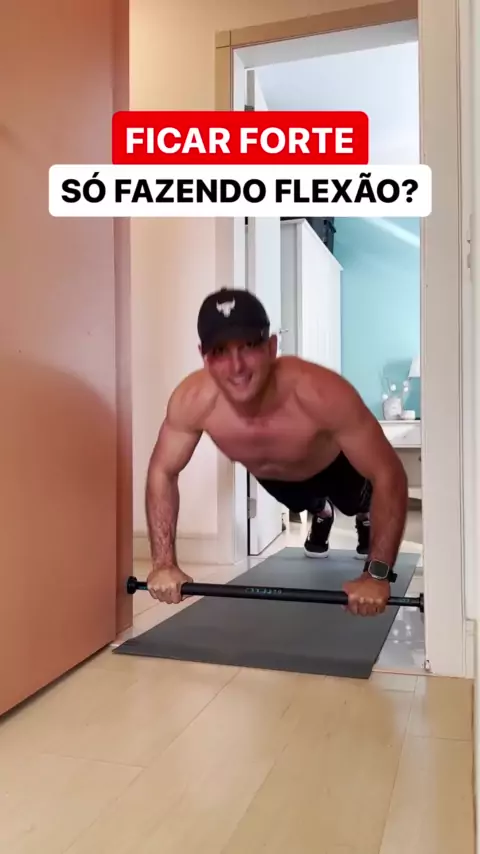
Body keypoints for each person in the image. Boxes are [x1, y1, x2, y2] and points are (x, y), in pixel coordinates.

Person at [145, 288, 408, 617]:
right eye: (220, 351)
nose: (236, 366)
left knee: (357, 503)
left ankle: (363, 518)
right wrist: (163, 563)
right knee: (302, 503)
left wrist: (377, 573)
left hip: (333, 466)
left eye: (249, 346)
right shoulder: (192, 400)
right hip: (276, 479)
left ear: (271, 347)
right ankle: (322, 513)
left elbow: (388, 474)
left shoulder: (321, 392)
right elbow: (162, 471)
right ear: (204, 356)